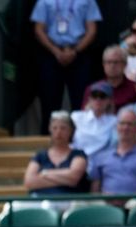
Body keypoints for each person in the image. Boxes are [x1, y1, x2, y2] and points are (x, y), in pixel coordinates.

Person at [31, 0, 101, 132]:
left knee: (82, 103)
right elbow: (39, 30)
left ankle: (81, 140)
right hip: (51, 54)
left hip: (79, 53)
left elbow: (91, 30)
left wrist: (75, 51)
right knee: (49, 103)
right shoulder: (44, 1)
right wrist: (55, 51)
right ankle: (48, 144)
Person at [23, 110, 89, 202]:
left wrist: (45, 174)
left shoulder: (78, 155)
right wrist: (63, 178)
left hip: (70, 201)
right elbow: (29, 182)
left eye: (63, 128)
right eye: (55, 128)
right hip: (40, 200)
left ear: (71, 131)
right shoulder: (40, 156)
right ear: (50, 130)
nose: (58, 132)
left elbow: (73, 178)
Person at [89, 108, 136, 201]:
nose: (125, 128)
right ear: (116, 126)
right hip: (107, 206)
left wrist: (130, 199)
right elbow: (95, 190)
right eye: (122, 123)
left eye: (130, 124)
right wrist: (104, 198)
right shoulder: (101, 156)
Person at [72, 82, 117, 163]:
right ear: (89, 99)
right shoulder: (76, 117)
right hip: (76, 160)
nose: (98, 100)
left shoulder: (115, 121)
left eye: (102, 96)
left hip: (102, 162)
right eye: (94, 96)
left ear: (109, 100)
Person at [83, 45, 136, 110]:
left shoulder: (135, 88)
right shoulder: (93, 89)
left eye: (116, 62)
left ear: (125, 64)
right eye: (109, 62)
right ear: (103, 65)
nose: (112, 66)